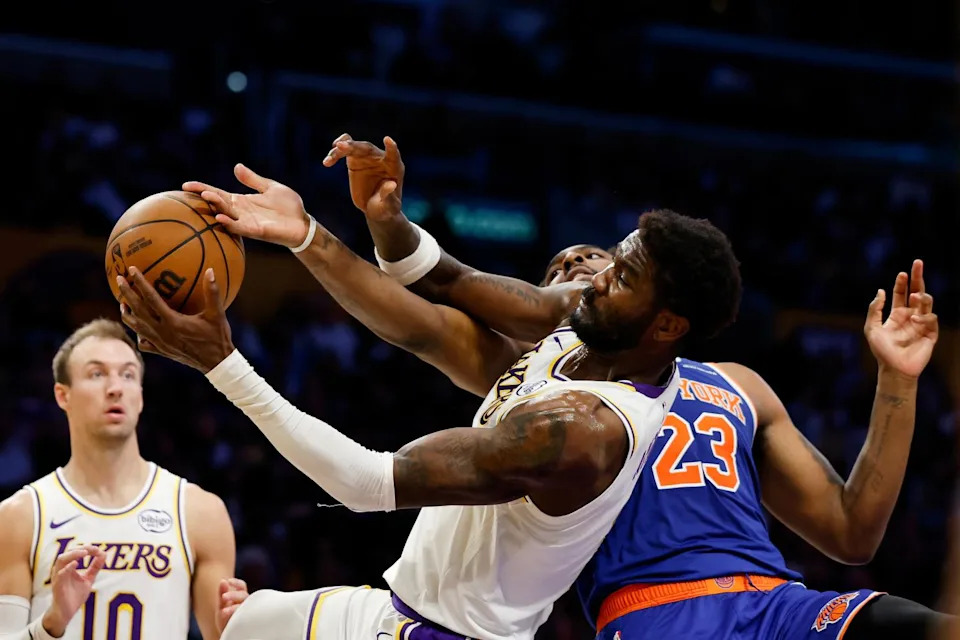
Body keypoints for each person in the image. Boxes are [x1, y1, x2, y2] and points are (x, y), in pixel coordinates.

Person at [315, 135, 948, 639]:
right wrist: (346, 230)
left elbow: (852, 532)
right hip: (653, 613)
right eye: (559, 267)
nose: (579, 271)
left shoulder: (738, 386)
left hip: (779, 605)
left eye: (596, 259)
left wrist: (897, 378)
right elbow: (421, 317)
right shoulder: (532, 378)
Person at [114, 163, 743, 639]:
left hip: (449, 633)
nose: (595, 276)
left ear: (667, 327)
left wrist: (222, 364)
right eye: (611, 260)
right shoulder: (576, 327)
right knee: (242, 623)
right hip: (392, 605)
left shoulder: (587, 429)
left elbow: (364, 484)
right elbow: (441, 288)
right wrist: (304, 231)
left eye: (621, 277)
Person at [0, 319, 242, 640]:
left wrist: (239, 630)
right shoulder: (20, 516)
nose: (115, 387)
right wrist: (53, 622)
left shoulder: (200, 511)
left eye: (128, 375)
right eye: (97, 374)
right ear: (63, 395)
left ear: (140, 396)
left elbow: (220, 635)